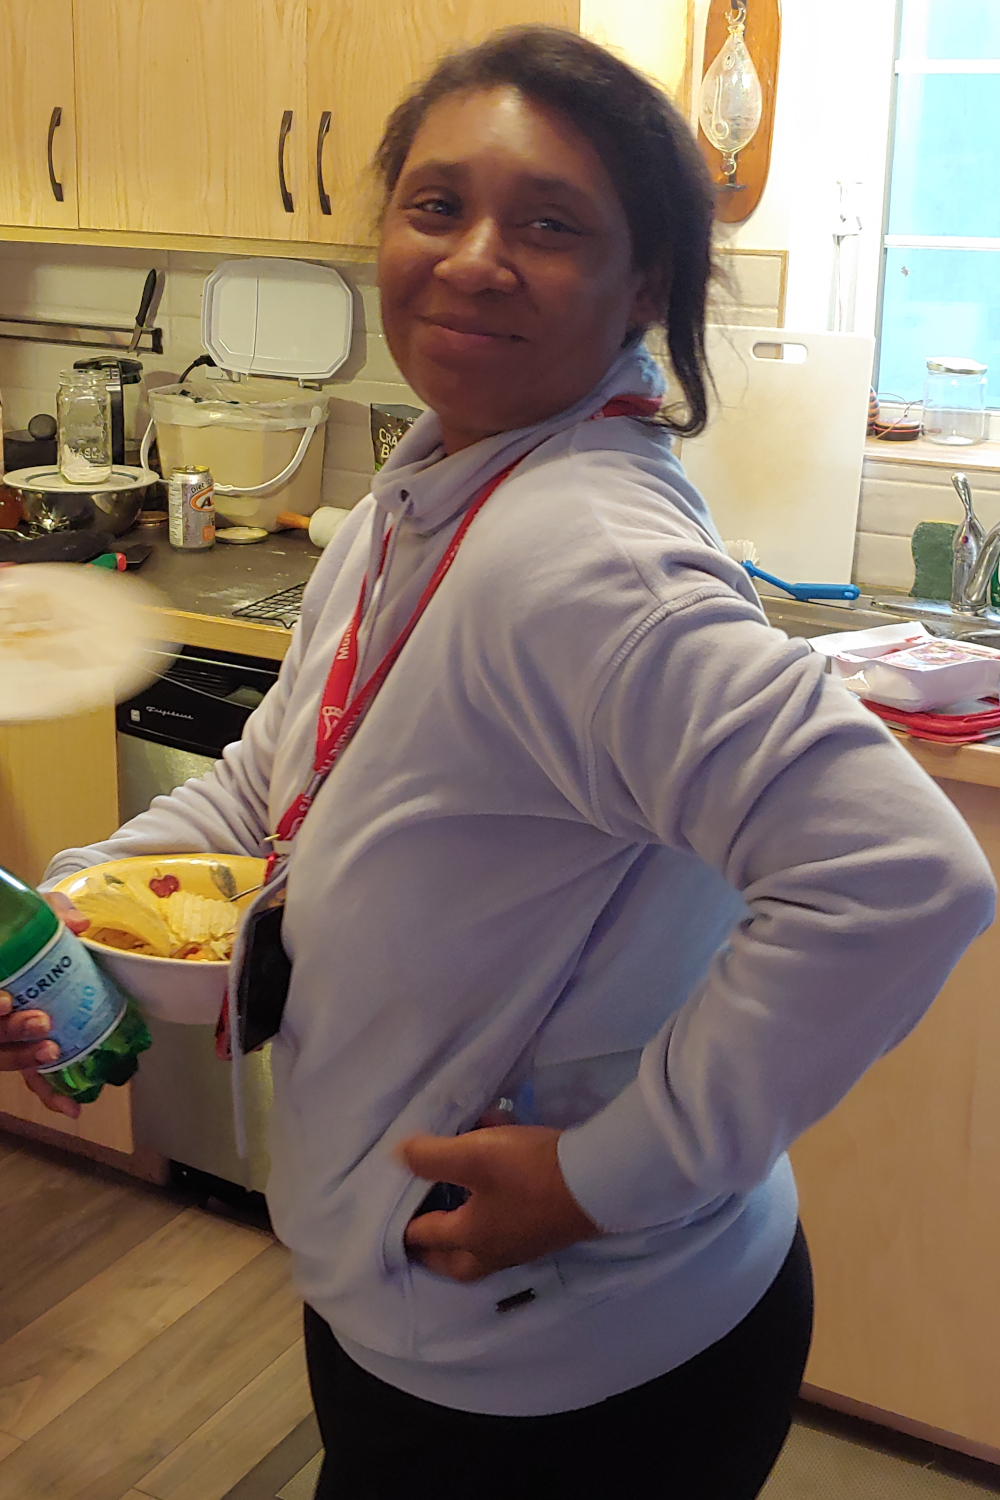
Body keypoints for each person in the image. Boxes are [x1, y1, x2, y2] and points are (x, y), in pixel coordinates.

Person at [3, 27, 994, 1499]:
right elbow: (271, 790)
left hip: (565, 1358)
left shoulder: (582, 563)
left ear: (643, 285)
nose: (473, 258)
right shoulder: (421, 497)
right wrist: (65, 929)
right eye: (436, 204)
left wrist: (604, 1177)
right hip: (422, 1295)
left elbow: (904, 879)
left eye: (548, 224)